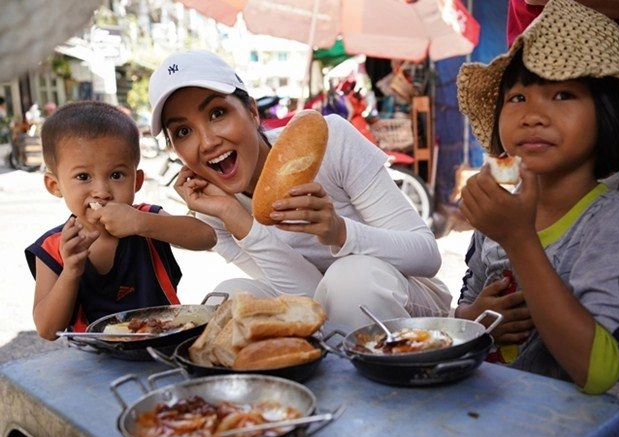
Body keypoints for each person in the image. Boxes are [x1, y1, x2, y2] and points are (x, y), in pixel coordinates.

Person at [147, 50, 452, 329]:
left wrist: (340, 232)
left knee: (351, 278)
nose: (208, 141)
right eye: (183, 131)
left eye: (217, 113)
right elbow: (304, 300)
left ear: (253, 112)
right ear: (174, 149)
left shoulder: (329, 141)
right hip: (330, 321)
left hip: (410, 303)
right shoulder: (214, 208)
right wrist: (234, 217)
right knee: (230, 297)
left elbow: (426, 255)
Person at [454, 0, 619, 394]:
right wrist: (473, 321)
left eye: (563, 95)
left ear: (608, 115)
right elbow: (464, 307)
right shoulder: (500, 210)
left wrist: (519, 240)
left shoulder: (614, 219)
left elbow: (600, 372)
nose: (533, 115)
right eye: (517, 98)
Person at [25, 101, 217, 340]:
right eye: (83, 176)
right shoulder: (54, 247)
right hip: (92, 362)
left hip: (161, 346)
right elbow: (47, 330)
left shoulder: (147, 220)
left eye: (116, 175)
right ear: (55, 185)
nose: (102, 190)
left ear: (136, 181)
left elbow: (208, 237)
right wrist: (71, 271)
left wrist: (141, 222)